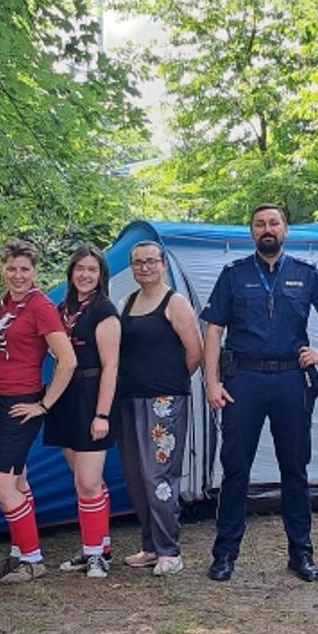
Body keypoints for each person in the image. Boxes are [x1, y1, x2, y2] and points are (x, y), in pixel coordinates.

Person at [200, 204, 318, 583]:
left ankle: (301, 552)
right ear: (251, 232)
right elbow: (214, 330)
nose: (267, 229)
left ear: (286, 230)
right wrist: (212, 382)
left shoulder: (306, 274)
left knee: (295, 470)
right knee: (235, 469)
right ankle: (225, 554)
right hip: (243, 382)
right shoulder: (233, 274)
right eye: (259, 224)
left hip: (290, 381)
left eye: (274, 223)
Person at [0, 240, 78, 584]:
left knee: (0, 482)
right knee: (18, 480)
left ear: (35, 272)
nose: (18, 275)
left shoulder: (41, 305)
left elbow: (67, 359)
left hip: (19, 402)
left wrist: (43, 404)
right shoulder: (7, 305)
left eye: (25, 269)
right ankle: (18, 552)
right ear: (3, 269)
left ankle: (33, 559)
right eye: (11, 269)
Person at [115, 242, 203, 576]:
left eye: (151, 262)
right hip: (129, 399)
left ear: (163, 265)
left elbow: (194, 351)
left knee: (159, 476)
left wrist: (169, 383)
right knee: (137, 477)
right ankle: (150, 546)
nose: (145, 268)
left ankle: (170, 549)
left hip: (164, 402)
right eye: (138, 263)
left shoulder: (175, 302)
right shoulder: (128, 302)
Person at [44, 247, 122, 578]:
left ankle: (95, 556)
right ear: (71, 272)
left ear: (101, 275)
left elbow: (111, 366)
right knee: (82, 481)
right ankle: (97, 547)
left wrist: (102, 413)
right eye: (80, 269)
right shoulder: (63, 309)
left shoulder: (104, 311)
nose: (85, 275)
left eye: (92, 270)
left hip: (91, 398)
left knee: (89, 481)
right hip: (65, 397)